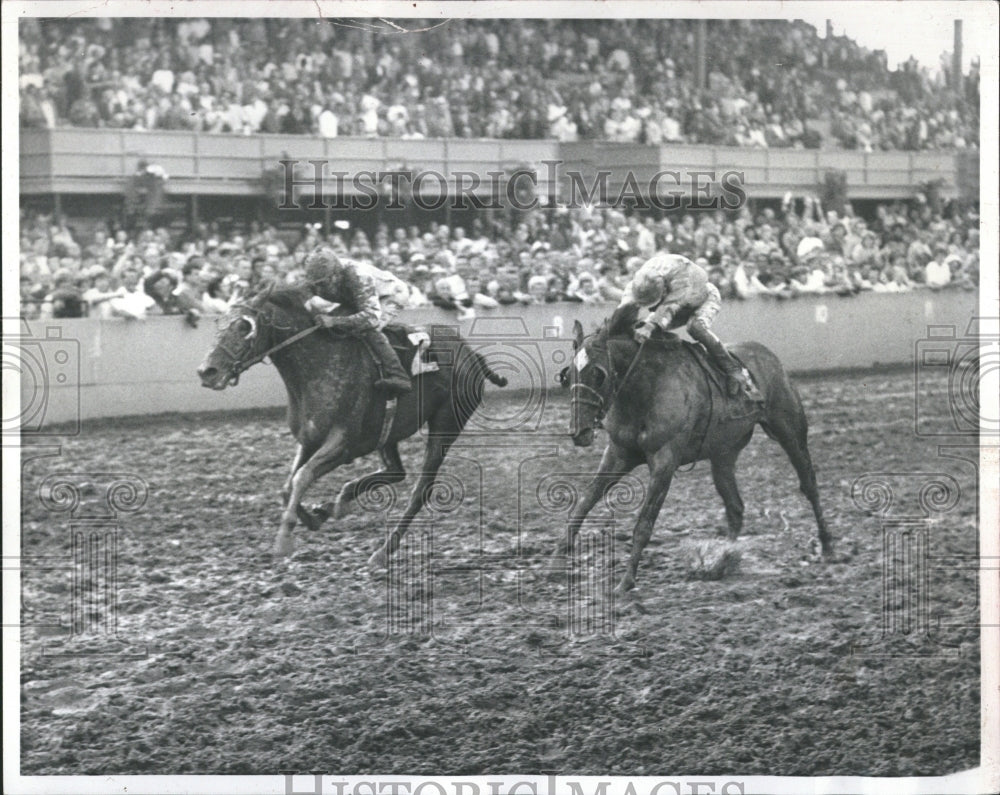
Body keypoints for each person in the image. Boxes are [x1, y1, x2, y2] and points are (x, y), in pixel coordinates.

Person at [619, 253, 755, 398]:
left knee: (695, 327)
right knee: (642, 327)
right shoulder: (639, 281)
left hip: (703, 297)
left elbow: (668, 309)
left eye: (654, 304)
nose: (651, 309)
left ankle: (732, 368)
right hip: (673, 300)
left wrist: (650, 326)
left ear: (664, 290)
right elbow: (624, 309)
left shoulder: (680, 278)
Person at [301, 247, 411, 396]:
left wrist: (335, 321)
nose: (318, 287)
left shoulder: (358, 276)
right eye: (316, 284)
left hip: (391, 294)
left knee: (370, 330)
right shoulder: (317, 276)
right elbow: (303, 289)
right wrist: (311, 302)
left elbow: (371, 317)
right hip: (355, 297)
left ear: (336, 275)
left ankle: (398, 375)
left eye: (322, 283)